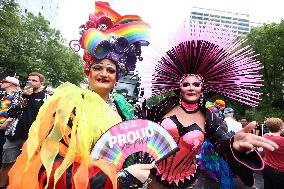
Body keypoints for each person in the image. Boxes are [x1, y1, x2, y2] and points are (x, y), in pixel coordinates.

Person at [8, 1, 152, 189]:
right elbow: (53, 165)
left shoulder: (123, 109)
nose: (103, 74)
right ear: (88, 72)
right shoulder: (71, 105)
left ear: (117, 77)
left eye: (110, 70)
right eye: (97, 68)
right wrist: (119, 178)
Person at [138, 22, 278, 189]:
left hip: (185, 181)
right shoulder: (164, 107)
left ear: (202, 88)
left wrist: (235, 144)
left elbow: (223, 145)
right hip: (154, 175)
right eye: (186, 84)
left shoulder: (210, 117)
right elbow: (140, 128)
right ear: (179, 88)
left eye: (196, 84)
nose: (191, 87)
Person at [0, 76, 20, 188]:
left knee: (4, 159)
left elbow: (16, 111)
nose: (1, 83)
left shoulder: (15, 96)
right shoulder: (5, 96)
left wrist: (5, 124)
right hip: (1, 129)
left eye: (4, 81)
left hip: (6, 130)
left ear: (10, 84)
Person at [262, 118, 284, 189]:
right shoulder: (282, 140)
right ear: (281, 128)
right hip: (279, 170)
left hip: (266, 167)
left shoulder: (265, 136)